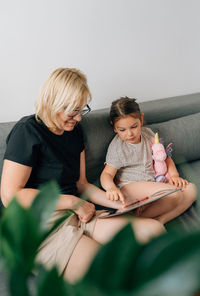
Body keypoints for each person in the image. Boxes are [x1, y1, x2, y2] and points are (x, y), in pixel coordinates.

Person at [0, 69, 165, 283]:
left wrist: (120, 204)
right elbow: (10, 196)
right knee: (108, 271)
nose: (78, 118)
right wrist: (73, 202)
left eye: (82, 110)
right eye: (72, 111)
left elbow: (82, 184)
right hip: (41, 223)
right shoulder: (27, 131)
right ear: (53, 102)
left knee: (155, 230)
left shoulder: (75, 131)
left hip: (80, 214)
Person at [100, 97, 197, 224]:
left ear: (141, 119)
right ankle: (132, 219)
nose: (129, 134)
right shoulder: (118, 148)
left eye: (134, 127)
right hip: (130, 186)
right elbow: (106, 174)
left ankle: (160, 220)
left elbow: (164, 157)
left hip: (153, 184)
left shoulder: (148, 134)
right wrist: (111, 188)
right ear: (114, 127)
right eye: (122, 130)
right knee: (174, 195)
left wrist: (174, 176)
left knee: (192, 189)